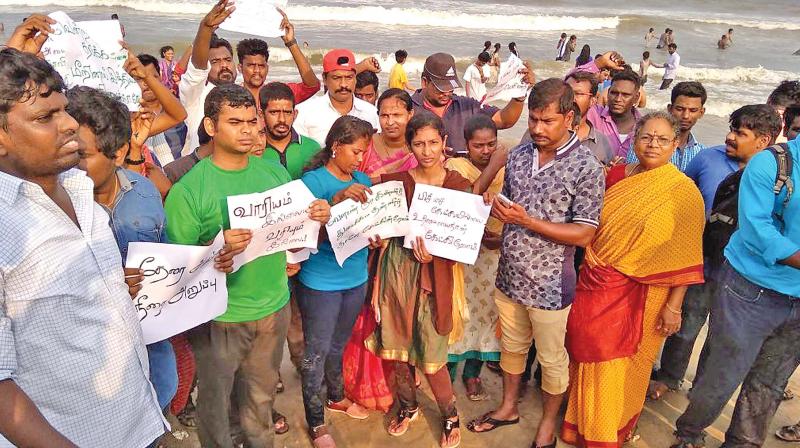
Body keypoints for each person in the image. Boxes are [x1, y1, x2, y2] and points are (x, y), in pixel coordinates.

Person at [0, 21, 170, 448]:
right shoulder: (6, 229)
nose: (69, 126)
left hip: (139, 420)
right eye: (45, 117)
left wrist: (110, 287)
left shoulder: (82, 191)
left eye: (64, 110)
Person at [164, 83, 331, 448]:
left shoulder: (273, 175)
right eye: (234, 122)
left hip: (273, 309)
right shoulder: (189, 191)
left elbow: (292, 235)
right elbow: (177, 272)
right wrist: (215, 249)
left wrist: (316, 219)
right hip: (220, 319)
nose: (247, 130)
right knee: (217, 408)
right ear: (210, 126)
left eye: (251, 122)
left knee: (260, 402)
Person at [467, 79, 604, 448]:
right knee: (511, 348)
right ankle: (508, 407)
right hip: (509, 275)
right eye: (533, 120)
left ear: (570, 119)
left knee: (551, 357)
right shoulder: (520, 154)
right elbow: (511, 203)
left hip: (549, 284)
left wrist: (528, 222)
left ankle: (546, 424)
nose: (538, 129)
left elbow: (584, 234)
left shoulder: (586, 166)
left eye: (548, 121)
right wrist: (501, 215)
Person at [561, 111, 705, 446]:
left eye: (662, 139)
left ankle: (608, 430)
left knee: (626, 363)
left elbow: (685, 257)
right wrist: (591, 249)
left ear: (675, 144)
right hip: (598, 279)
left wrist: (674, 307)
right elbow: (589, 221)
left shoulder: (684, 194)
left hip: (650, 294)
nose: (653, 144)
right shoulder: (615, 175)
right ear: (635, 139)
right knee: (588, 351)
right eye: (646, 137)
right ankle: (580, 422)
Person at [671, 114, 799, 448]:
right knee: (724, 373)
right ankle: (688, 432)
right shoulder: (772, 164)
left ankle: (742, 443)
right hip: (751, 291)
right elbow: (757, 230)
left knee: (769, 383)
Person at [649, 104, 782, 402]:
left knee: (723, 335)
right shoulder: (708, 157)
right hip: (703, 260)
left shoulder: (776, 176)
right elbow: (678, 192)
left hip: (744, 272)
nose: (730, 137)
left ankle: (703, 387)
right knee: (687, 323)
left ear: (763, 141)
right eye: (732, 129)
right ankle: (670, 377)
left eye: (740, 133)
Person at [67, 85, 178, 416]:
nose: (68, 162)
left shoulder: (144, 190)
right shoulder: (53, 207)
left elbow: (166, 257)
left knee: (159, 404)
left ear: (117, 153)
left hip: (151, 346)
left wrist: (207, 262)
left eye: (81, 155)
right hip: (93, 362)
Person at [364, 111, 467, 448]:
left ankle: (450, 413)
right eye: (419, 143)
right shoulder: (394, 183)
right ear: (409, 146)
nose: (426, 151)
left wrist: (436, 254)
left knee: (431, 353)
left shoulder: (457, 186)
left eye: (433, 143)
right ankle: (408, 406)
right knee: (397, 349)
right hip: (395, 272)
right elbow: (378, 229)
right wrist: (376, 238)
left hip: (435, 280)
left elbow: (465, 242)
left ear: (444, 144)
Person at [298, 116, 377, 448]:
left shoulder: (364, 179)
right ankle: (316, 422)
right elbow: (299, 232)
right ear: (335, 146)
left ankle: (336, 396)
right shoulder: (312, 182)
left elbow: (370, 224)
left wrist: (376, 238)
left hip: (356, 277)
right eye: (355, 152)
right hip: (320, 281)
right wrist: (336, 200)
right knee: (315, 350)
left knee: (338, 344)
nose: (360, 160)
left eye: (364, 152)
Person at [445, 114, 504, 402]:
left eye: (491, 144)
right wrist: (495, 164)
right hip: (463, 257)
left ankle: (472, 374)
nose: (486, 150)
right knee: (459, 313)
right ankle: (448, 373)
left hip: (495, 255)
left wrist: (502, 239)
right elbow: (467, 199)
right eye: (478, 145)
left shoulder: (509, 167)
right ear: (466, 144)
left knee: (486, 315)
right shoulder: (455, 167)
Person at [411, 52, 533, 155]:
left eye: (450, 87)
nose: (446, 93)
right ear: (424, 82)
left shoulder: (467, 107)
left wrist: (519, 93)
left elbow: (504, 120)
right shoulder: (407, 109)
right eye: (441, 88)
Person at [178, 0, 236, 156]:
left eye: (228, 60)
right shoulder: (195, 96)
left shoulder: (243, 94)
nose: (224, 65)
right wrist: (205, 28)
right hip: (199, 168)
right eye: (215, 61)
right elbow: (197, 69)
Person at [294, 48, 379, 148]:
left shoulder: (371, 113)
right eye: (336, 78)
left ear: (355, 78)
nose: (343, 84)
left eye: (349, 77)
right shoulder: (304, 112)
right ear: (325, 79)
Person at [235, 31, 321, 127]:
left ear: (267, 68)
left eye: (261, 66)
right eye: (251, 65)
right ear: (240, 68)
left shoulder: (279, 93)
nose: (257, 70)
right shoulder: (232, 96)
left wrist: (291, 43)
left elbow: (312, 85)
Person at [627, 81, 706, 171]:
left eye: (693, 110)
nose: (686, 116)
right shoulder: (646, 144)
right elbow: (632, 177)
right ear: (670, 109)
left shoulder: (702, 153)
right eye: (680, 109)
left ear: (701, 112)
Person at [128, 52, 188, 167]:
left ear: (160, 77)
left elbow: (166, 159)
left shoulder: (176, 105)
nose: (146, 83)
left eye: (152, 77)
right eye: (139, 79)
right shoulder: (136, 119)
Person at [260, 82, 321, 180]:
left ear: (295, 114)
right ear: (261, 115)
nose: (282, 119)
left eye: (287, 112)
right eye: (274, 112)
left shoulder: (312, 148)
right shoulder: (254, 150)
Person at [360, 88, 417, 179]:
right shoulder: (364, 146)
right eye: (384, 116)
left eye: (396, 115)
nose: (390, 122)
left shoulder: (420, 148)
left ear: (410, 114)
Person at [565, 71, 618, 165]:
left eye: (578, 93)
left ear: (592, 101)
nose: (571, 98)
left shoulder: (601, 142)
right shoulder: (546, 132)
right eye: (567, 92)